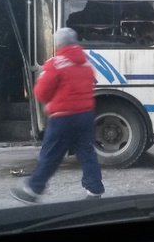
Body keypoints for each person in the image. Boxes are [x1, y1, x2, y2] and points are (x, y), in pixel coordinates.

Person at [10, 28, 104, 204]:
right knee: (86, 153)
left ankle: (33, 190)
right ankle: (95, 190)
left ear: (59, 43)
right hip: (85, 115)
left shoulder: (55, 63)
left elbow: (41, 92)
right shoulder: (86, 63)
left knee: (51, 154)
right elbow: (91, 83)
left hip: (63, 118)